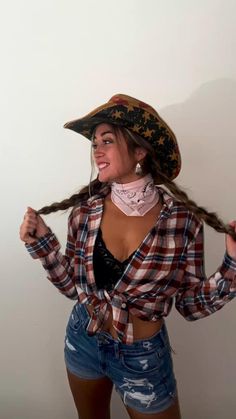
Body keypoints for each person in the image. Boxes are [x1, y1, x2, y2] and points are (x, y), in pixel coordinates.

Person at [19, 94, 236, 419]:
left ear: (140, 151)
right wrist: (43, 245)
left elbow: (190, 305)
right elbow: (72, 288)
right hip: (84, 339)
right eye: (94, 143)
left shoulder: (180, 220)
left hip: (144, 357)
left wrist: (232, 267)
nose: (97, 151)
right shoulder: (85, 212)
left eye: (107, 140)